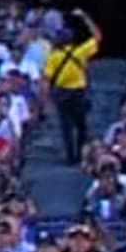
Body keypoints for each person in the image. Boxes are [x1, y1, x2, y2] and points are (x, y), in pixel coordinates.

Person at [46, 8, 101, 165]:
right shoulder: (80, 52)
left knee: (66, 126)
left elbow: (47, 78)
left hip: (62, 92)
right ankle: (79, 155)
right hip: (77, 92)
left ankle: (71, 157)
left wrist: (47, 97)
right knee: (81, 125)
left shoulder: (54, 56)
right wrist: (85, 17)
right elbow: (97, 36)